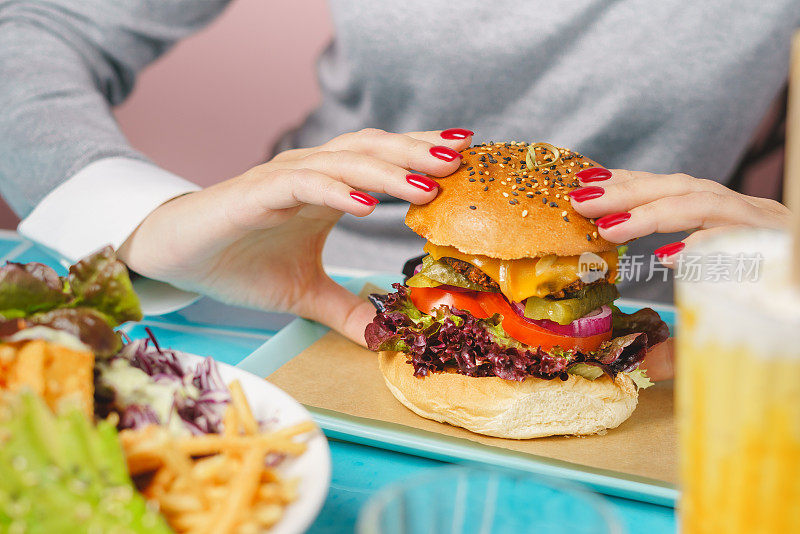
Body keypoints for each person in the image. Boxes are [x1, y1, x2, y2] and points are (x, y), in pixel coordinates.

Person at [0, 1, 795, 380]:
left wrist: (783, 275)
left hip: (693, 315)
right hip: (295, 287)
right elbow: (34, 30)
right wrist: (144, 219)